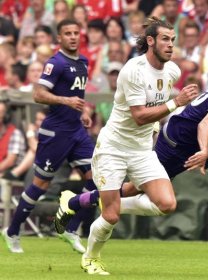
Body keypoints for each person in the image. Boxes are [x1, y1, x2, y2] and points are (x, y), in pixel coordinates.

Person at [55, 67, 208, 274]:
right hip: (175, 143)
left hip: (204, 140)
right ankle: (75, 203)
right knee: (133, 190)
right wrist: (203, 151)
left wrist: (204, 147)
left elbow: (205, 124)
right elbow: (205, 124)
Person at [54, 17, 199, 275]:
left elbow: (153, 113)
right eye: (165, 39)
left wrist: (158, 125)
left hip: (142, 150)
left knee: (167, 204)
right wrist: (176, 102)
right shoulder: (133, 69)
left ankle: (75, 201)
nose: (170, 45)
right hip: (114, 148)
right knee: (110, 216)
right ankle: (90, 258)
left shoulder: (173, 71)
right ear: (151, 41)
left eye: (173, 40)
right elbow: (140, 115)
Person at [1, 19, 98, 254]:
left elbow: (76, 94)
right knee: (40, 185)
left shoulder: (83, 61)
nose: (73, 36)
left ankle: (70, 228)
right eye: (68, 33)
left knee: (97, 179)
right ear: (59, 38)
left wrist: (83, 111)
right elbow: (38, 94)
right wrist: (65, 101)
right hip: (55, 132)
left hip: (76, 130)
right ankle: (12, 230)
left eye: (76, 32)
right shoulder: (55, 63)